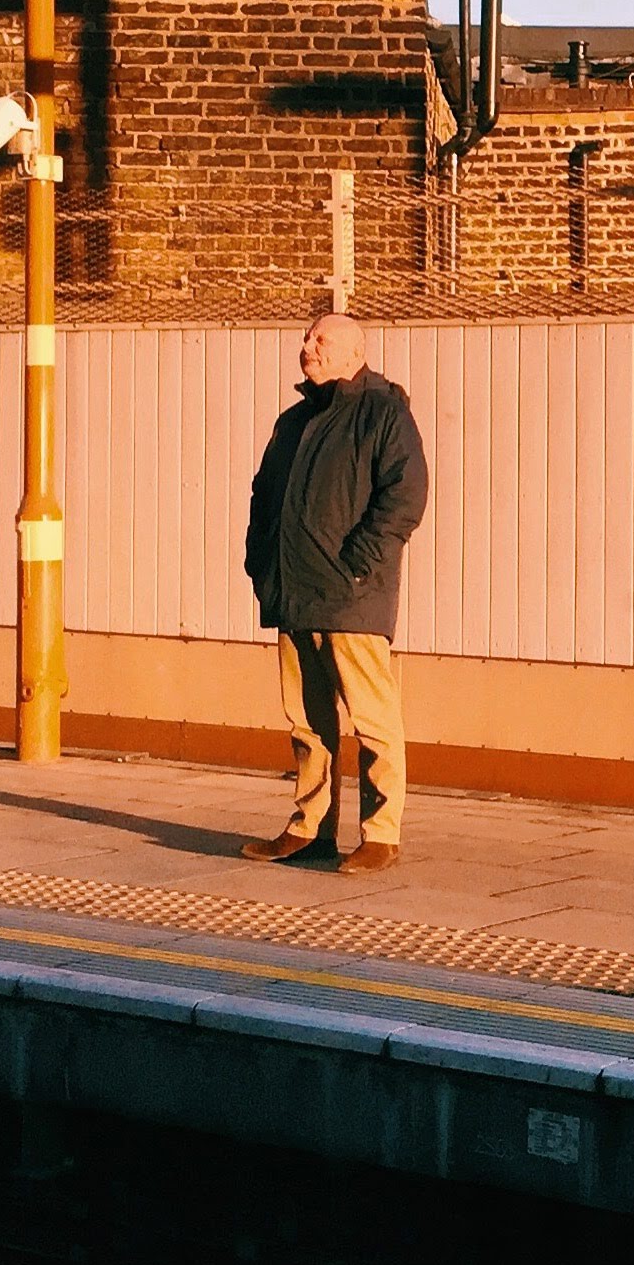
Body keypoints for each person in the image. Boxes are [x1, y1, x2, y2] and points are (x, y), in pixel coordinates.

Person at [239, 311, 430, 876]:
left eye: (321, 340)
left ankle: (381, 835)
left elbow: (403, 499)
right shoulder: (292, 421)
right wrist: (260, 563)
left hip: (352, 599)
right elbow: (262, 497)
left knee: (373, 721)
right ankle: (310, 829)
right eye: (306, 339)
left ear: (354, 353)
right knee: (306, 724)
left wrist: (357, 569)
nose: (308, 348)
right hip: (293, 594)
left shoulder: (384, 413)